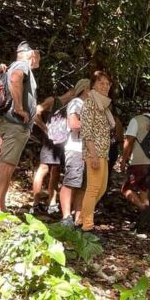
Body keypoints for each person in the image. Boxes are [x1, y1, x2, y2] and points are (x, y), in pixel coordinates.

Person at [0, 41, 40, 217]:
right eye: (37, 54)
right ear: (31, 54)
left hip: (12, 124)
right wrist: (18, 108)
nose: (39, 58)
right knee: (6, 165)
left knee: (7, 165)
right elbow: (15, 78)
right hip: (15, 124)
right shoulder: (21, 65)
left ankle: (0, 205)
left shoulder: (15, 66)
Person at [31, 87, 79, 213]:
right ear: (71, 92)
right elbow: (35, 113)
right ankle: (35, 203)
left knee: (56, 171)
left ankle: (51, 203)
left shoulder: (71, 106)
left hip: (62, 142)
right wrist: (46, 129)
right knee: (43, 169)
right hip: (50, 141)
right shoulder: (53, 101)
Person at [119, 111, 150, 231]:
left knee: (126, 189)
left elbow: (129, 141)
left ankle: (144, 208)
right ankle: (143, 225)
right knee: (144, 191)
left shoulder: (137, 120)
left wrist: (123, 160)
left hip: (140, 163)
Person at [80, 71, 114, 234]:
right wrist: (93, 154)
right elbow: (87, 132)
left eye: (107, 84)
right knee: (93, 189)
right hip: (94, 152)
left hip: (103, 152)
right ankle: (87, 226)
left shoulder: (103, 105)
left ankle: (80, 220)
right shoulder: (90, 103)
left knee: (101, 188)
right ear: (93, 85)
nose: (105, 86)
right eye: (101, 83)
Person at [59, 78, 91, 227]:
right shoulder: (76, 103)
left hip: (87, 151)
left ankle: (78, 219)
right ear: (86, 89)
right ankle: (66, 216)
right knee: (71, 182)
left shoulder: (88, 106)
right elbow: (73, 124)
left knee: (82, 185)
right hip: (75, 148)